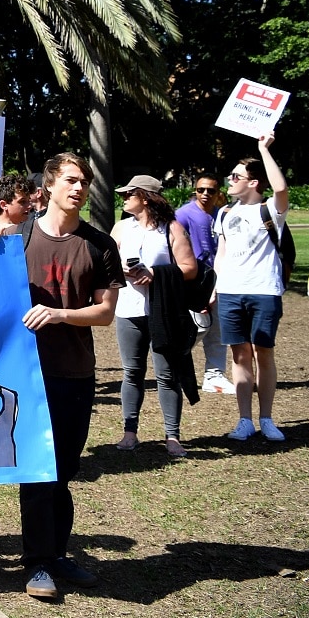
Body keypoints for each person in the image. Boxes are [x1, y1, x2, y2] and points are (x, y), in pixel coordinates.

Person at [15, 152, 122, 601]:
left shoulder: (100, 244)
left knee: (62, 471)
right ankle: (38, 563)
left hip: (74, 374)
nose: (79, 189)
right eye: (71, 181)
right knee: (37, 471)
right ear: (50, 185)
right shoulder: (16, 238)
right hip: (23, 375)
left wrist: (58, 314)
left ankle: (57, 555)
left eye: (85, 182)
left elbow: (105, 313)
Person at [110, 175, 200, 457]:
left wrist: (155, 274)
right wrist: (121, 270)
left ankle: (172, 436)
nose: (124, 199)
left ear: (145, 197)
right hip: (128, 309)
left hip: (163, 311)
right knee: (132, 372)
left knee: (167, 374)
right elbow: (107, 263)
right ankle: (129, 432)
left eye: (129, 194)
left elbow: (189, 267)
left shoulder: (171, 228)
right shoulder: (121, 227)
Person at [213, 133, 290, 442]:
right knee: (240, 356)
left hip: (264, 290)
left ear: (254, 182)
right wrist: (215, 287)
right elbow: (222, 253)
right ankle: (244, 420)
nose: (229, 180)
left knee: (263, 353)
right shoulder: (224, 213)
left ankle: (267, 418)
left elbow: (281, 188)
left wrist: (263, 150)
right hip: (231, 291)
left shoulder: (271, 210)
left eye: (236, 176)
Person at [176, 172, 234, 394]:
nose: (205, 194)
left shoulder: (221, 215)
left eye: (211, 190)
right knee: (198, 326)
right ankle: (174, 366)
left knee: (218, 330)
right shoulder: (183, 215)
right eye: (201, 190)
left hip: (219, 278)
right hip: (194, 281)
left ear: (218, 192)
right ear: (195, 191)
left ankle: (214, 375)